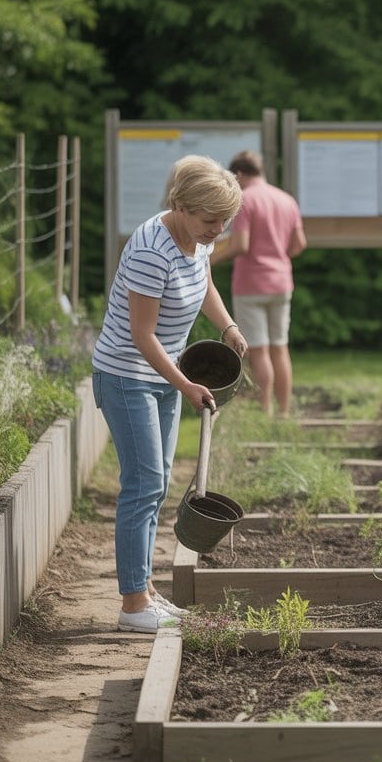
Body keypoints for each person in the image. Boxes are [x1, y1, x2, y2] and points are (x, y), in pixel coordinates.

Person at [92, 155, 248, 634]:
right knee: (142, 486)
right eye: (209, 220)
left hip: (161, 378)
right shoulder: (149, 250)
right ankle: (132, 604)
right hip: (127, 376)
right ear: (181, 206)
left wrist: (227, 325)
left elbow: (204, 284)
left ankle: (147, 591)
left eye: (225, 221)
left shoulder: (197, 240)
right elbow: (142, 336)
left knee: (157, 480)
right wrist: (185, 383)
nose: (217, 230)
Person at [209, 150, 306, 418]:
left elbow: (241, 245)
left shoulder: (245, 200)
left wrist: (211, 259)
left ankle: (265, 410)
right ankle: (284, 411)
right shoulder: (286, 199)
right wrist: (278, 255)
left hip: (252, 284)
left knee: (259, 350)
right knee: (280, 348)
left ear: (238, 175)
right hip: (282, 282)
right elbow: (299, 244)